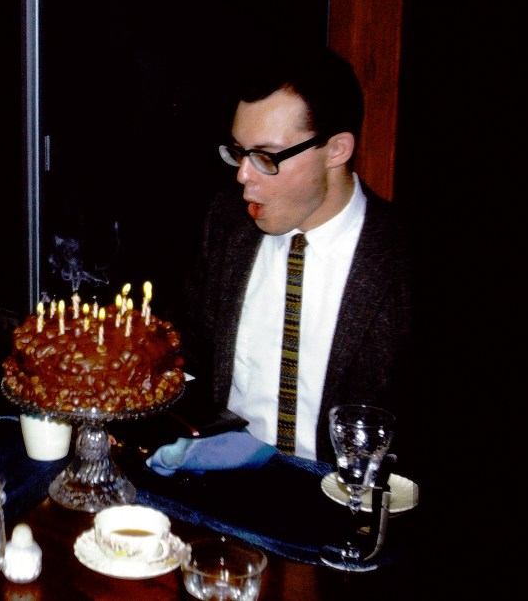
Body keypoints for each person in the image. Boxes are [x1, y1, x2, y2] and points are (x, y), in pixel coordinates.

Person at [178, 46, 415, 468]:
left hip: (345, 510)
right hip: (219, 493)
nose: (242, 175)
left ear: (337, 150)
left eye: (267, 157)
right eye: (238, 152)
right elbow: (190, 354)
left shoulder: (406, 259)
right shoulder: (226, 224)